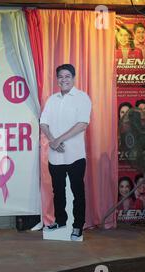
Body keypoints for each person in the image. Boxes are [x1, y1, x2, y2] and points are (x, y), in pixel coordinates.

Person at [40, 64, 92, 241]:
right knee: (58, 191)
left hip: (75, 155)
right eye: (60, 77)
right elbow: (43, 123)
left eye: (67, 76)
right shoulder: (52, 99)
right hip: (55, 156)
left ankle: (78, 226)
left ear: (74, 77)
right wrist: (52, 141)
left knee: (78, 191)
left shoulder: (81, 97)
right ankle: (60, 221)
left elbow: (82, 124)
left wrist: (58, 140)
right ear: (57, 80)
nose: (64, 79)